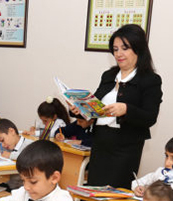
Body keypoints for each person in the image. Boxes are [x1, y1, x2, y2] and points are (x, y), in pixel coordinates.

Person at [70, 24, 163, 189]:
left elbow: (150, 117)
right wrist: (79, 110)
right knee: (94, 190)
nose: (119, 54)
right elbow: (96, 107)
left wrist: (126, 109)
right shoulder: (108, 76)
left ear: (138, 49)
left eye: (124, 48)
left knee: (114, 192)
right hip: (100, 142)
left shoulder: (150, 80)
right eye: (115, 49)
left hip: (125, 148)